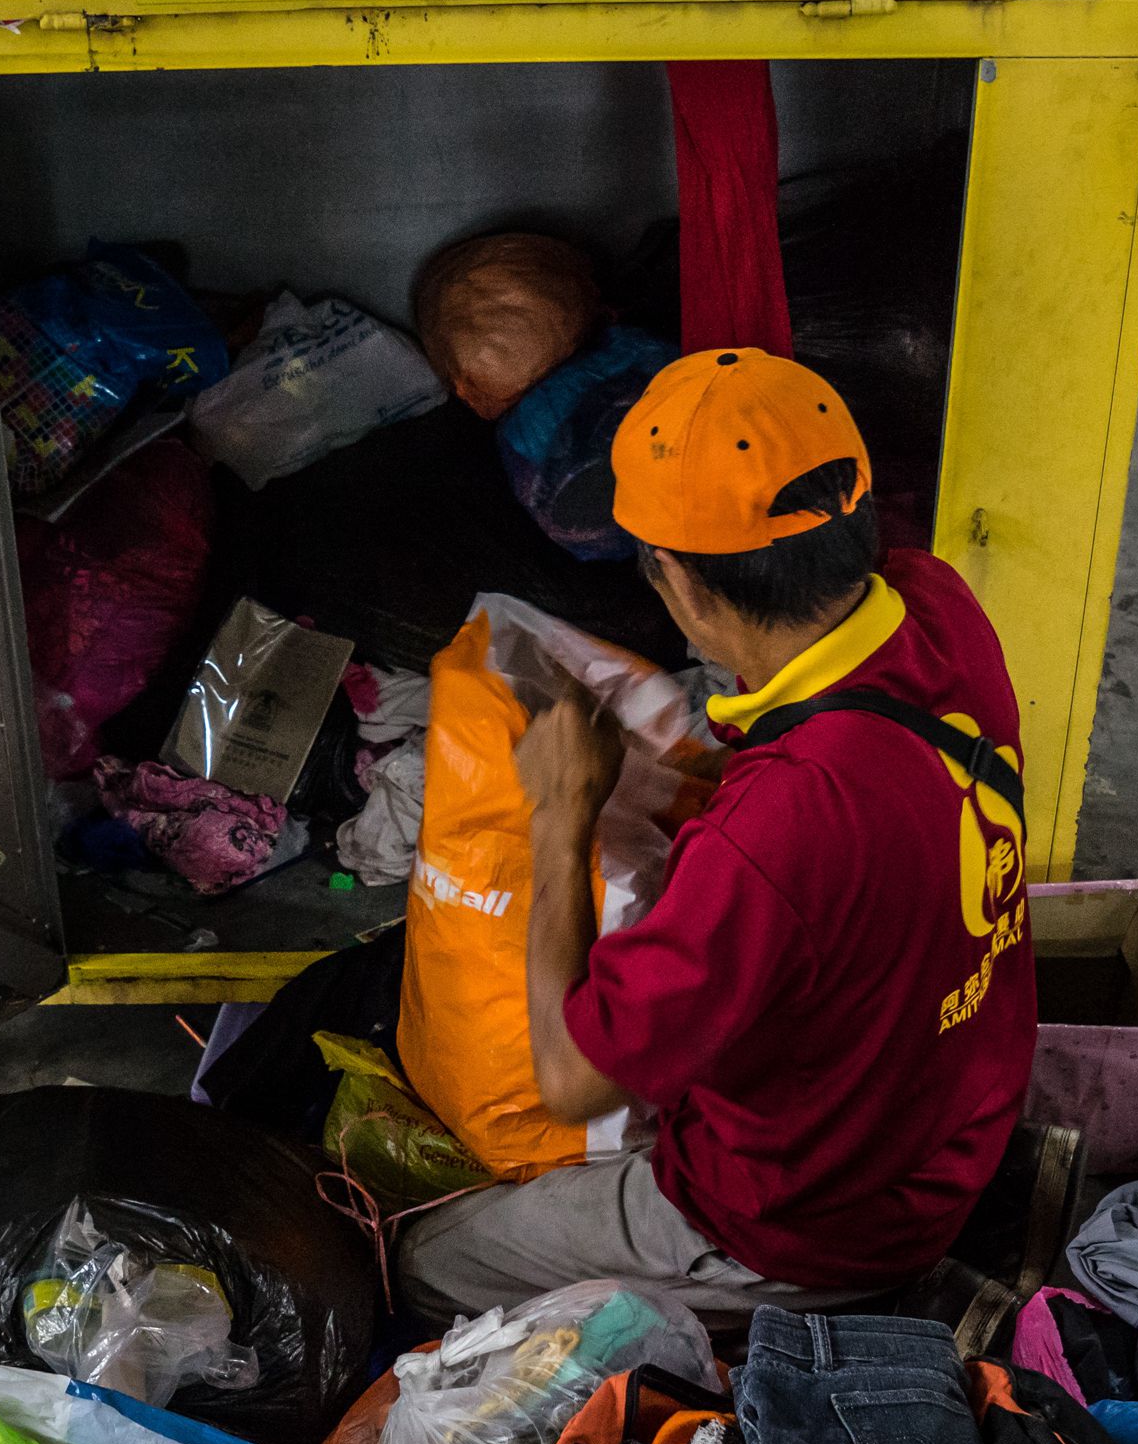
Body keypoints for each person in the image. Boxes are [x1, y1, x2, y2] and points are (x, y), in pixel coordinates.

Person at [395, 348, 1037, 1321]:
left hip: (817, 1224)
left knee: (422, 1257)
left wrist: (563, 817)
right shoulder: (938, 604)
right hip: (959, 1126)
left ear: (680, 586)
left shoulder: (774, 826)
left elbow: (569, 1078)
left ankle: (790, 1309)